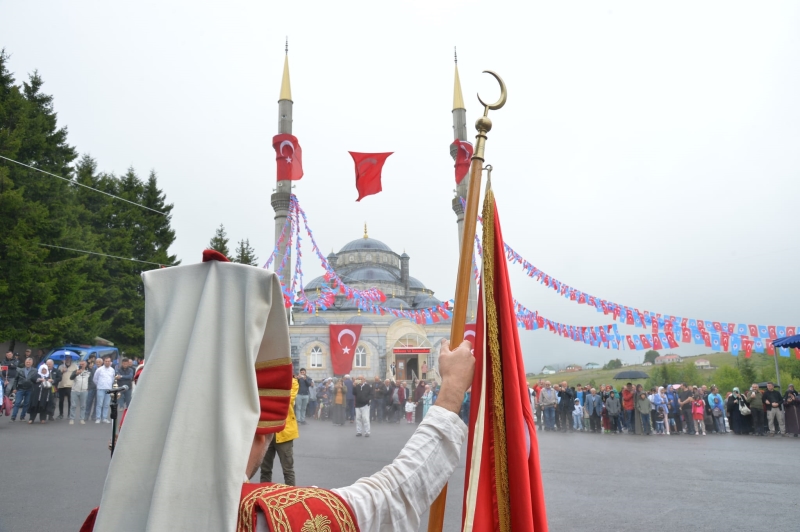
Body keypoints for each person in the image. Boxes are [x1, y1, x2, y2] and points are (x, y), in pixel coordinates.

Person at [80, 255, 477, 532]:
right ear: (254, 433)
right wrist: (452, 391)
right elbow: (396, 492)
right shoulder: (277, 517)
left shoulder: (108, 518)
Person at [261, 375, 299, 486]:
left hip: (284, 432)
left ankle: (291, 498)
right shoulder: (268, 380)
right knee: (265, 470)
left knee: (287, 470)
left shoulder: (293, 382)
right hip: (267, 431)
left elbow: (286, 400)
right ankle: (263, 496)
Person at [28, 360, 56, 424]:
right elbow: (32, 379)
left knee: (43, 406)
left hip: (45, 395)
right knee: (34, 405)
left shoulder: (49, 375)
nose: (44, 371)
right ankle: (31, 419)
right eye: (42, 370)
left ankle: (43, 418)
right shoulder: (37, 374)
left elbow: (55, 380)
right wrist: (40, 379)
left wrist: (51, 380)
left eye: (45, 370)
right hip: (37, 394)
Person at [9, 357, 35, 422]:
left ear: (32, 363)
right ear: (25, 363)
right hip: (20, 389)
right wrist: (14, 388)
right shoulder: (20, 370)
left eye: (29, 362)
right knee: (17, 403)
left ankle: (22, 417)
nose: (28, 363)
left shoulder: (35, 370)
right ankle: (13, 417)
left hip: (29, 389)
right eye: (27, 362)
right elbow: (15, 380)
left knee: (26, 404)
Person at [93, 356, 115, 423]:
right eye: (106, 361)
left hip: (109, 389)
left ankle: (104, 418)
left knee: (106, 404)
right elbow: (95, 379)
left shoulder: (112, 370)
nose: (107, 362)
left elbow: (113, 379)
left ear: (110, 362)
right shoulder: (99, 369)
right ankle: (98, 418)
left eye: (109, 361)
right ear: (104, 362)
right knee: (99, 404)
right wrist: (99, 385)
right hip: (101, 389)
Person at [69, 360, 91, 424]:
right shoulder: (75, 371)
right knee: (73, 405)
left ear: (85, 365)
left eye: (83, 364)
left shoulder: (88, 372)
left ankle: (82, 419)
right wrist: (76, 374)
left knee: (83, 406)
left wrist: (88, 388)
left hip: (84, 391)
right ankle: (72, 419)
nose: (81, 365)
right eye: (80, 364)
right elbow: (71, 378)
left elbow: (91, 382)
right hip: (75, 390)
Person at [56, 355, 75, 419]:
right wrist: (62, 371)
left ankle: (69, 414)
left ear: (71, 359)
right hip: (62, 385)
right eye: (66, 358)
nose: (67, 359)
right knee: (61, 401)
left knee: (70, 401)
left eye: (69, 358)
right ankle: (61, 414)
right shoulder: (61, 366)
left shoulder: (75, 366)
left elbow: (76, 375)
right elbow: (57, 376)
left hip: (70, 385)